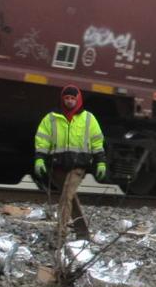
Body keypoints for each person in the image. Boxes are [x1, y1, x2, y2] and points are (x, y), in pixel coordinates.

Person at [32, 84, 105, 243]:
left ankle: (60, 236)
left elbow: (97, 141)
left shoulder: (88, 119)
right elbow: (42, 140)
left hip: (78, 166)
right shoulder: (51, 118)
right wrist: (39, 159)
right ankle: (83, 233)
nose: (70, 101)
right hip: (57, 166)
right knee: (69, 197)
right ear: (62, 99)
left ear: (78, 99)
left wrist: (101, 162)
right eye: (67, 98)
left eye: (73, 98)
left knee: (66, 196)